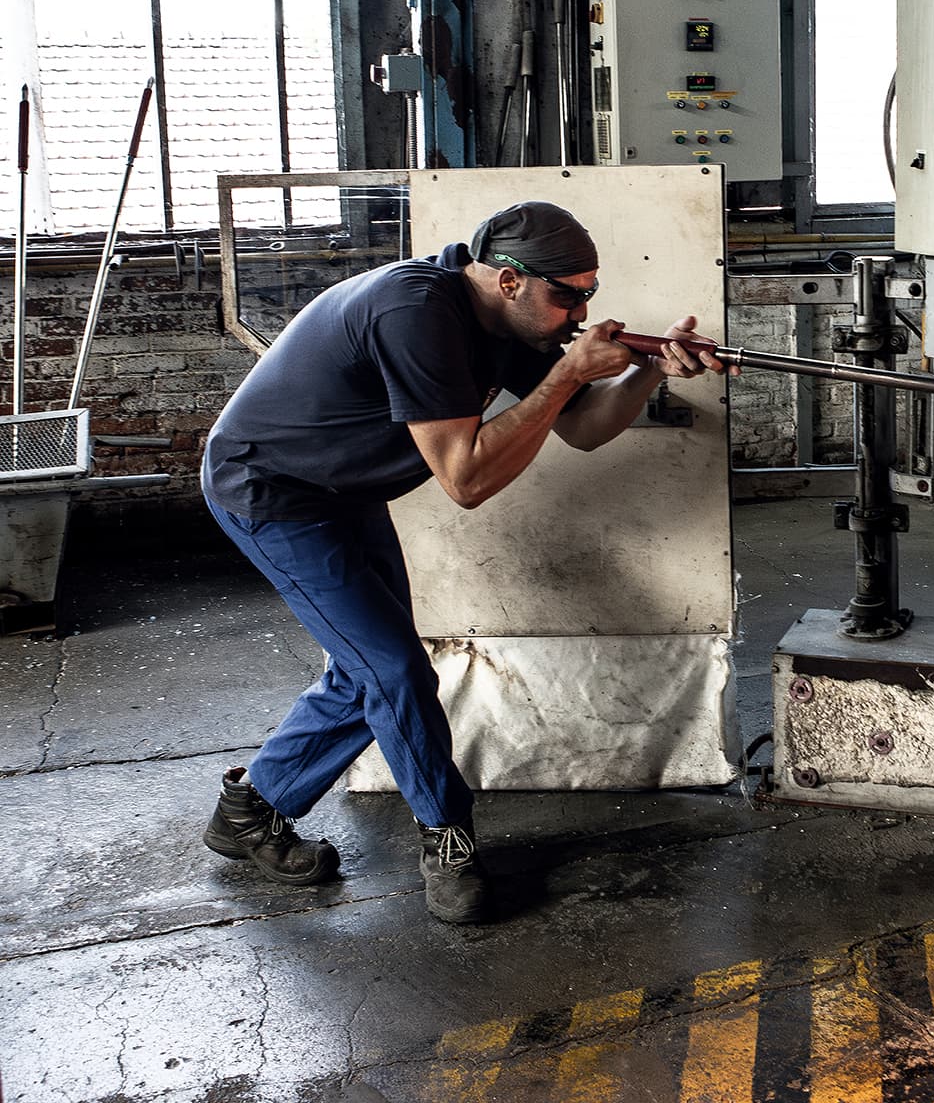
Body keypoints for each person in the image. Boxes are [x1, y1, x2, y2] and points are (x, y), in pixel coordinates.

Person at [198, 200, 724, 924]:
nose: (580, 307)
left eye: (589, 292)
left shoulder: (512, 321)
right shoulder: (412, 312)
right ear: (509, 281)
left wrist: (648, 370)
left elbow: (586, 431)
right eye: (567, 292)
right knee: (393, 671)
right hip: (271, 491)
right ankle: (448, 840)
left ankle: (249, 812)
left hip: (345, 491)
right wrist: (569, 372)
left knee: (372, 669)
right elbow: (466, 478)